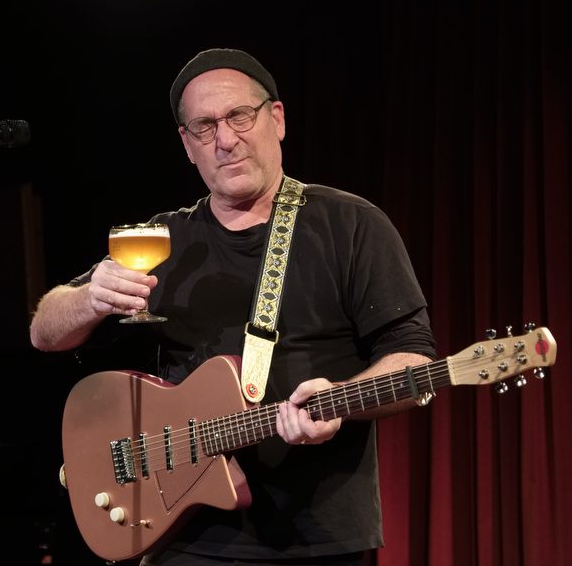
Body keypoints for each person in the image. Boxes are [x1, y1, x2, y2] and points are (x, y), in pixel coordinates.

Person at [29, 48, 437, 566]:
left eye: (239, 116)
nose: (225, 140)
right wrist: (90, 298)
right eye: (204, 127)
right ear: (187, 145)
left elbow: (414, 359)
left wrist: (341, 400)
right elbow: (45, 330)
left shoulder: (352, 225)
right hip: (183, 534)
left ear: (277, 119)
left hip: (318, 538)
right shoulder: (161, 237)